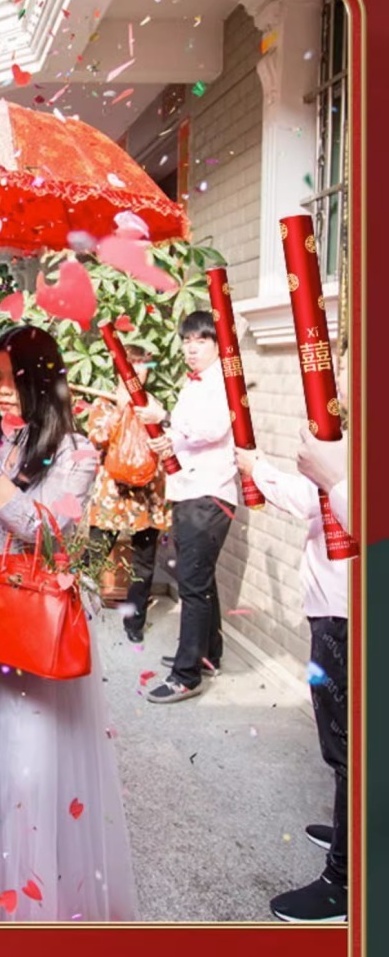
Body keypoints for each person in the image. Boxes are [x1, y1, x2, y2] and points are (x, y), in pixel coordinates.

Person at [0, 325, 139, 922]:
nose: (0, 390)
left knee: (29, 771)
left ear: (42, 380)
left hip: (33, 624)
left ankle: (38, 911)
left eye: (12, 378)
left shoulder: (77, 453)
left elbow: (49, 531)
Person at [235, 426, 350, 922]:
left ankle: (346, 881)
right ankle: (350, 835)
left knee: (352, 752)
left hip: (353, 614)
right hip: (333, 612)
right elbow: (311, 501)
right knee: (342, 745)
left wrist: (336, 479)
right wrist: (259, 469)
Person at [133, 309, 238, 702]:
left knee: (192, 586)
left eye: (201, 340)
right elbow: (188, 434)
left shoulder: (224, 381)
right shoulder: (196, 382)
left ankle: (186, 675)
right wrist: (169, 438)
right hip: (192, 489)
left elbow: (213, 428)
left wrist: (164, 416)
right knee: (201, 578)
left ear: (218, 344)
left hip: (207, 495)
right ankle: (208, 654)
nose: (191, 348)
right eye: (187, 340)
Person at [84, 343, 170, 643]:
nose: (137, 372)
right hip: (113, 491)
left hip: (147, 493)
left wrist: (157, 419)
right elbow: (97, 438)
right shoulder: (105, 403)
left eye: (143, 366)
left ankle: (134, 622)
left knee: (143, 563)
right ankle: (74, 610)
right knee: (94, 555)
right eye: (131, 365)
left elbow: (166, 441)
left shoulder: (153, 404)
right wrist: (120, 411)